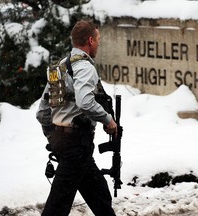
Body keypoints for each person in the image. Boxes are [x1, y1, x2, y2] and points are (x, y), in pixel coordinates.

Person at [36, 20, 117, 216]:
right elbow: (85, 102)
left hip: (71, 145)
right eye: (98, 40)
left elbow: (43, 112)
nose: (98, 44)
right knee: (56, 208)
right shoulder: (85, 67)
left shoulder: (61, 67)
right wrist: (108, 119)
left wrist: (55, 137)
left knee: (100, 196)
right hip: (76, 147)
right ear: (90, 40)